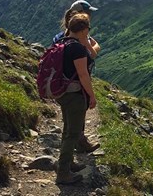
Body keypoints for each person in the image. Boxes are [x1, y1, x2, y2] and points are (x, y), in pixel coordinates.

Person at [52, 0, 101, 153]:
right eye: (88, 13)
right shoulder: (79, 41)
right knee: (78, 113)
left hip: (62, 83)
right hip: (76, 84)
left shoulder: (60, 37)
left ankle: (74, 145)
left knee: (68, 119)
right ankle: (76, 145)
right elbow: (91, 56)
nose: (90, 16)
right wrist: (91, 95)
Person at [55, 13, 97, 185]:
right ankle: (63, 173)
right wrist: (91, 96)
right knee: (73, 133)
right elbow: (83, 75)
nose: (88, 32)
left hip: (63, 93)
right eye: (88, 29)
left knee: (67, 129)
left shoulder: (62, 42)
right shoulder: (78, 48)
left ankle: (67, 164)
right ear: (83, 29)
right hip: (74, 95)